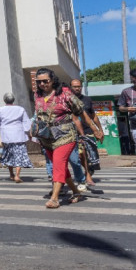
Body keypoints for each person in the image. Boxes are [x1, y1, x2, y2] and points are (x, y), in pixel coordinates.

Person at [32, 68, 87, 209]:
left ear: (52, 80)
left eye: (45, 81)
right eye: (39, 82)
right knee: (61, 167)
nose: (42, 84)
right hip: (47, 138)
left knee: (58, 164)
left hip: (65, 135)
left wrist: (95, 129)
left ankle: (55, 198)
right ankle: (76, 192)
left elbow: (80, 110)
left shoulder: (64, 93)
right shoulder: (37, 95)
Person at [69, 78, 104, 188]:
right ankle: (87, 175)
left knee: (91, 155)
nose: (77, 88)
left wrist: (100, 130)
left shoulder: (87, 99)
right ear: (71, 87)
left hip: (88, 130)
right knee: (81, 154)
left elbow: (93, 116)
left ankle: (88, 172)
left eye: (79, 86)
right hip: (74, 132)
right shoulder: (67, 100)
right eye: (75, 86)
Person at [0, 93, 32, 183]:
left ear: (4, 100)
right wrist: (28, 132)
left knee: (9, 155)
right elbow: (26, 122)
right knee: (19, 155)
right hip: (19, 135)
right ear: (13, 100)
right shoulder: (20, 109)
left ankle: (11, 174)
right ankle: (17, 175)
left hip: (6, 136)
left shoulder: (0, 109)